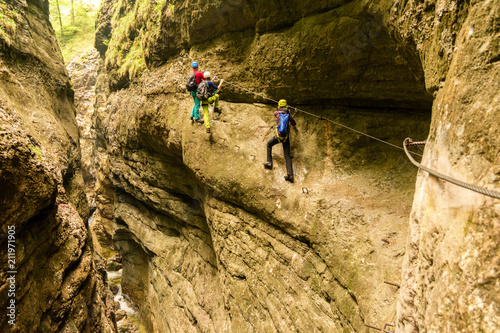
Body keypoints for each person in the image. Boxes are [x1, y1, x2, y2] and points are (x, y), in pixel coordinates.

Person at [263, 99, 296, 183]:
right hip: (286, 137)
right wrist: (289, 112)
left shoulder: (277, 113)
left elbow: (276, 114)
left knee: (269, 144)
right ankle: (290, 175)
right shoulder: (288, 114)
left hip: (278, 136)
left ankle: (269, 162)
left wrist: (284, 110)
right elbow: (293, 123)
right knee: (287, 155)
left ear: (279, 106)